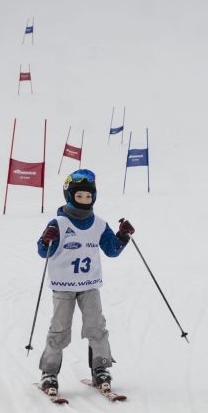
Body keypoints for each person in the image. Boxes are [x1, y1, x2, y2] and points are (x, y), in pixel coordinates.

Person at [36, 169, 134, 395]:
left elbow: (112, 250)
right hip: (64, 287)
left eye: (88, 196)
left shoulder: (99, 224)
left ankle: (101, 369)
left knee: (96, 328)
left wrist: (122, 236)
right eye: (79, 196)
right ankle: (49, 372)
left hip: (89, 285)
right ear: (69, 196)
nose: (84, 200)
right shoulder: (59, 223)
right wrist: (45, 240)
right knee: (60, 330)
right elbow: (43, 251)